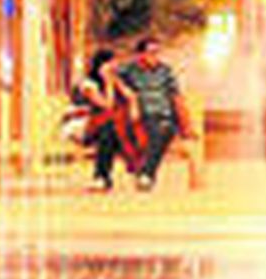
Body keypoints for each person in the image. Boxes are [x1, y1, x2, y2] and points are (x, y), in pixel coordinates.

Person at [115, 36, 192, 191]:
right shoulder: (129, 70)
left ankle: (146, 174)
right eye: (151, 53)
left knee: (165, 129)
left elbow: (176, 95)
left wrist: (186, 123)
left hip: (166, 115)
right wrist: (127, 93)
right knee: (160, 130)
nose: (155, 57)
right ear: (140, 54)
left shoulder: (165, 71)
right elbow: (110, 74)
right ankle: (146, 175)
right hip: (144, 115)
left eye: (157, 53)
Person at [67, 48, 143, 190]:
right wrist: (108, 83)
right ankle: (131, 166)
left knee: (112, 130)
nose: (115, 66)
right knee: (112, 128)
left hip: (104, 124)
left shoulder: (114, 78)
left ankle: (102, 176)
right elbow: (107, 105)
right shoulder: (88, 84)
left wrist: (118, 84)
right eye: (111, 63)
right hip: (82, 123)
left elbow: (131, 96)